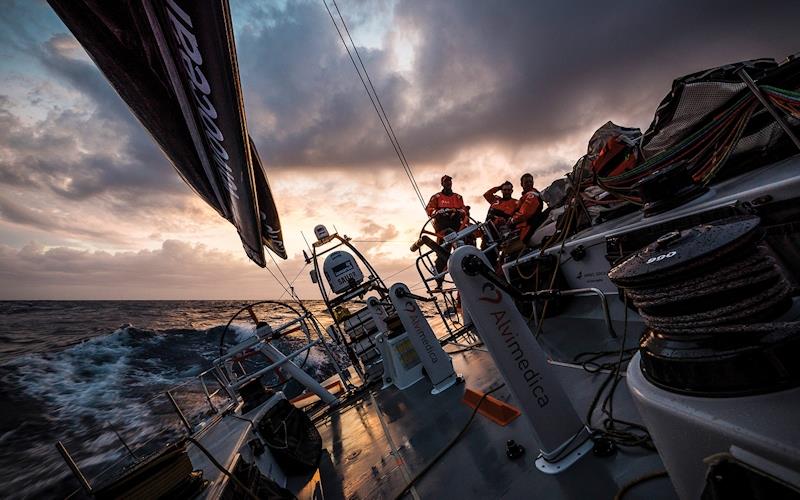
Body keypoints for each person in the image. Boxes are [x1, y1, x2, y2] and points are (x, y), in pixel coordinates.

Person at [425, 175, 468, 289]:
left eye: (450, 181)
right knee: (442, 256)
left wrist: (456, 211)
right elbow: (429, 209)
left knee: (464, 251)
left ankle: (468, 275)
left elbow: (464, 210)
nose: (448, 183)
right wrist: (439, 211)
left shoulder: (458, 197)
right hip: (443, 231)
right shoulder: (436, 197)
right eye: (446, 182)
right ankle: (439, 282)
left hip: (457, 229)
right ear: (442, 183)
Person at [509, 173, 544, 244]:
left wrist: (511, 221)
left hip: (527, 228)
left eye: (530, 182)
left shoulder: (532, 195)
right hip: (525, 227)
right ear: (521, 184)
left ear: (533, 183)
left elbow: (524, 213)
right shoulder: (525, 196)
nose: (529, 184)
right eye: (526, 182)